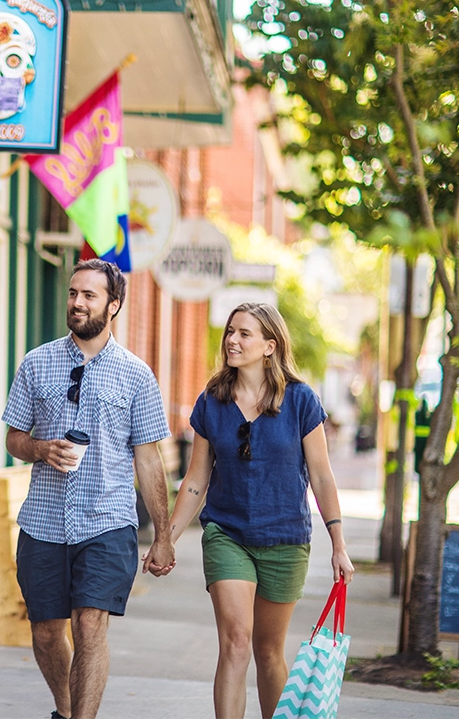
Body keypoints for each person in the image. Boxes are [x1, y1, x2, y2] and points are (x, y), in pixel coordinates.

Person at [149, 302, 354, 719]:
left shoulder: (301, 400)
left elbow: (322, 475)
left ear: (269, 346)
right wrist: (165, 538)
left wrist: (338, 543)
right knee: (237, 642)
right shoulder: (212, 401)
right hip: (228, 534)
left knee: (268, 650)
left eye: (244, 334)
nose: (232, 340)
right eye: (230, 332)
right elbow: (195, 480)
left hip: (285, 539)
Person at [3, 259, 174, 719]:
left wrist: (162, 534)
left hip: (108, 521)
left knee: (90, 626)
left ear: (113, 305)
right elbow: (13, 437)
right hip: (43, 520)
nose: (77, 302)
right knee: (44, 631)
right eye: (73, 293)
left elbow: (149, 458)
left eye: (90, 296)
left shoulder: (137, 375)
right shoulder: (36, 362)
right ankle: (65, 709)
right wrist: (40, 449)